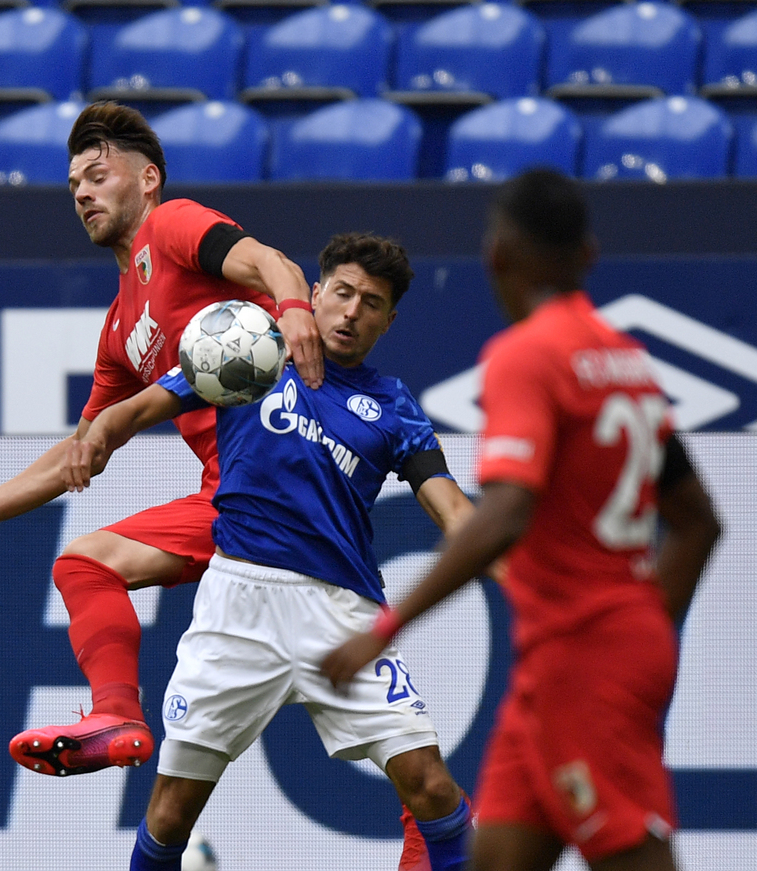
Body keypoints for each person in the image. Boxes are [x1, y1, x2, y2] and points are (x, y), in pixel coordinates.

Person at [0, 100, 323, 774]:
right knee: (83, 566)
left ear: (147, 178)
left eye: (97, 176)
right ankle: (118, 716)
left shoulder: (175, 224)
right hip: (234, 501)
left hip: (298, 470)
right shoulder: (121, 327)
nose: (82, 194)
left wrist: (295, 309)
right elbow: (83, 449)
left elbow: (271, 263)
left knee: (368, 717)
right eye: (73, 185)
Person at [322, 169, 723, 871]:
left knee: (634, 852)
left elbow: (506, 512)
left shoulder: (526, 356)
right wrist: (646, 629)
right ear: (588, 254)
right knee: (497, 856)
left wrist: (386, 627)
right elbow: (699, 522)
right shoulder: (626, 361)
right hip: (566, 661)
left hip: (583, 662)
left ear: (497, 254)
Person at [69, 234, 473, 871]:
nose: (351, 312)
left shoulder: (393, 406)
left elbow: (451, 508)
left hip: (342, 613)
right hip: (238, 606)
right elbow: (136, 409)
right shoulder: (249, 349)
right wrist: (99, 437)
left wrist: (515, 563)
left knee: (433, 788)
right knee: (170, 815)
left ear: (388, 321)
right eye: (342, 292)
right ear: (315, 293)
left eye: (371, 303)